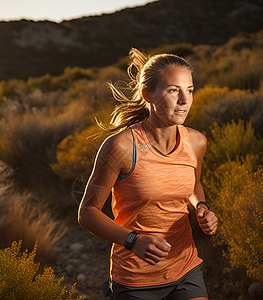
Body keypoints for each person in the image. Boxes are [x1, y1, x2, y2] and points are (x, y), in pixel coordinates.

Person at [78, 48, 218, 300]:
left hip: (186, 268)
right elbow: (87, 213)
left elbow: (194, 185)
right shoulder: (120, 147)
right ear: (147, 95)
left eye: (189, 90)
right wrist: (133, 240)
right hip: (135, 279)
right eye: (173, 90)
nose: (184, 100)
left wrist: (202, 207)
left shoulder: (196, 142)